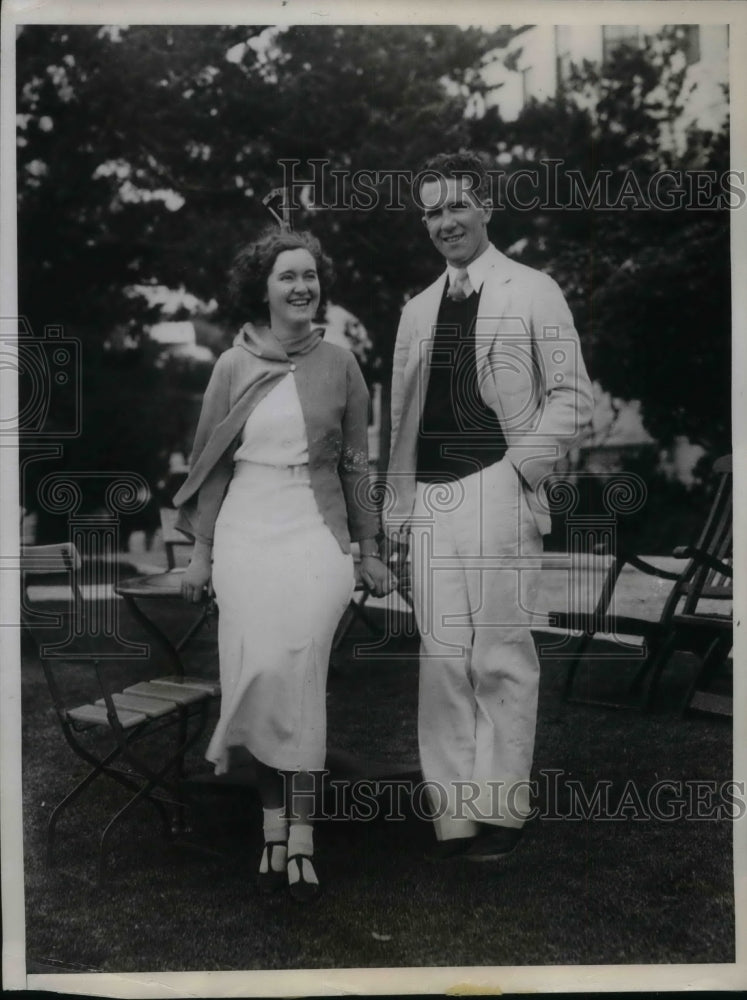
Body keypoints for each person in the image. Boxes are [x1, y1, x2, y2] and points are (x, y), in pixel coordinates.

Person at [173, 228, 394, 901]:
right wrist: (202, 553)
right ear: (261, 289)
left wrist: (371, 550)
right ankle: (275, 826)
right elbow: (209, 467)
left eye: (310, 276)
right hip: (246, 527)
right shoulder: (231, 365)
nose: (302, 287)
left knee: (296, 671)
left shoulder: (340, 363)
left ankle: (302, 836)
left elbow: (356, 465)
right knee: (262, 667)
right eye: (287, 277)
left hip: (314, 527)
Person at [385, 152, 593, 860]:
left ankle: (500, 813)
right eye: (432, 212)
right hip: (431, 503)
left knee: (499, 654)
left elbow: (571, 398)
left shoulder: (533, 290)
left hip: (498, 489)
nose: (444, 222)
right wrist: (399, 508)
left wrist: (517, 470)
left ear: (485, 209)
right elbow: (400, 421)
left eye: (455, 207)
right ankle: (454, 815)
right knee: (442, 661)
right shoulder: (415, 310)